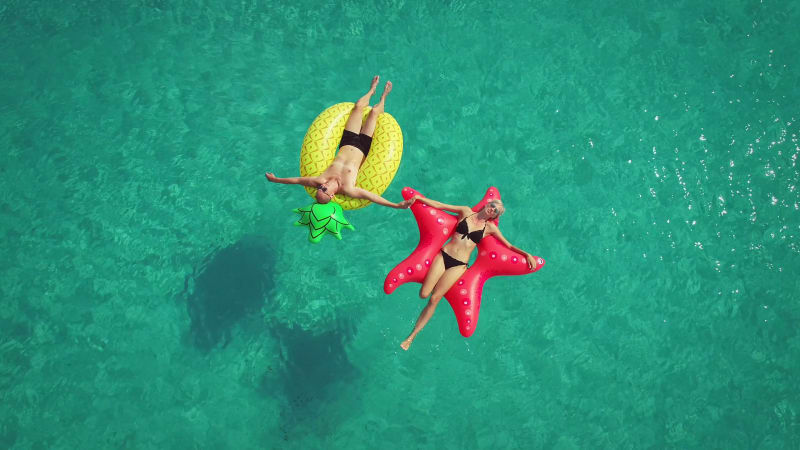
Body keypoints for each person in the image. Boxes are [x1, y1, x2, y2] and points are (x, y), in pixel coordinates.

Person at [400, 195, 538, 350]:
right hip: (443, 255)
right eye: (493, 205)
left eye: (496, 210)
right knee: (424, 294)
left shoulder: (490, 228)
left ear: (494, 216)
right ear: (487, 204)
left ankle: (411, 337)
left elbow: (509, 245)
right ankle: (427, 285)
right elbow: (439, 204)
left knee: (434, 299)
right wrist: (418, 198)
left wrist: (526, 255)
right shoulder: (465, 211)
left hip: (458, 265)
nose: (492, 208)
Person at [265, 76, 411, 209]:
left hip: (347, 140)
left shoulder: (320, 180)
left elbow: (297, 180)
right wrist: (396, 205)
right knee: (373, 112)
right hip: (364, 147)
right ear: (332, 195)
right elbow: (370, 196)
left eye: (320, 188)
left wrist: (276, 180)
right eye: (324, 190)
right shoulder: (348, 188)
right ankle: (384, 97)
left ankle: (372, 90)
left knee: (358, 105)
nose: (322, 186)